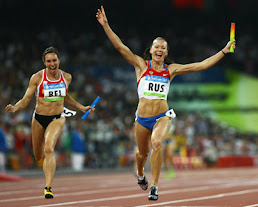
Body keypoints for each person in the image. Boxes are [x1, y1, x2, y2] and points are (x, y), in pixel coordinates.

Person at [96, 5, 235, 201]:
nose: (159, 49)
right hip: (142, 118)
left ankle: (154, 186)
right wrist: (106, 25)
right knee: (141, 154)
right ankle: (140, 174)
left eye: (163, 47)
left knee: (157, 142)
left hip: (162, 115)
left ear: (166, 52)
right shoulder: (140, 65)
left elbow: (200, 65)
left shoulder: (171, 70)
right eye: (156, 46)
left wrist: (223, 51)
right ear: (151, 50)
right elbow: (120, 46)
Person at [5, 47, 94, 199]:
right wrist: (15, 108)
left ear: (59, 61)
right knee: (38, 155)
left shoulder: (67, 77)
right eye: (49, 61)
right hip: (39, 118)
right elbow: (26, 99)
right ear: (44, 63)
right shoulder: (37, 78)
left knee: (49, 149)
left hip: (57, 118)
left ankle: (48, 187)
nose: (52, 64)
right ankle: (44, 170)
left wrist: (81, 107)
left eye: (54, 60)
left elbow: (65, 97)